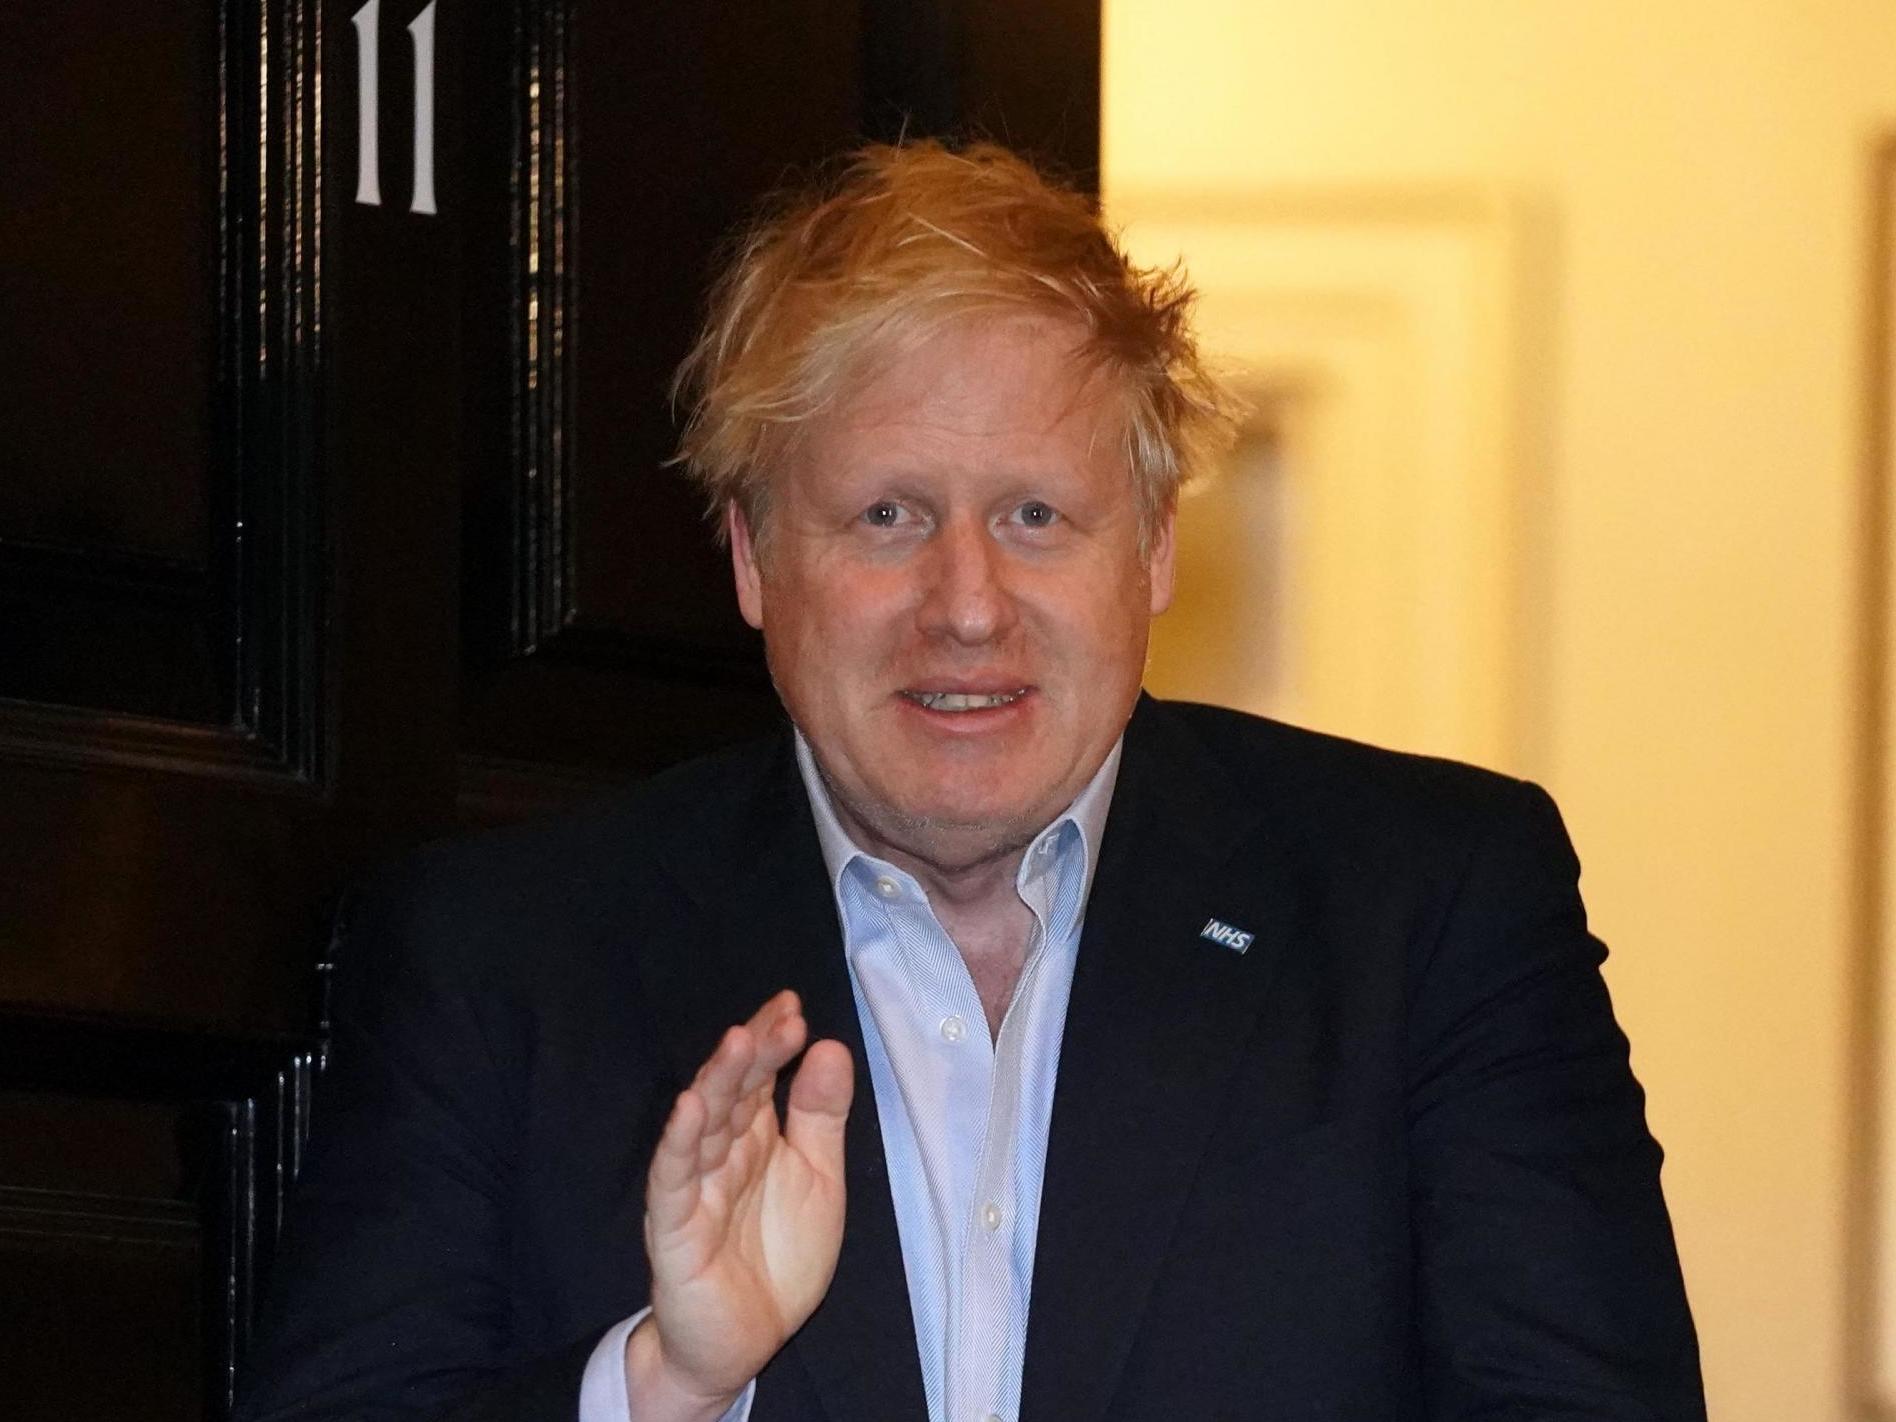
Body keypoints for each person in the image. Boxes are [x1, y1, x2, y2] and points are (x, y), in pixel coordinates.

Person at [237, 141, 1705, 1422]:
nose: (967, 603)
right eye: (886, 514)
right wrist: (666, 1384)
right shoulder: (500, 957)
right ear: (752, 558)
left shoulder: (1432, 910)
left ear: (1154, 549)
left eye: (1037, 514)